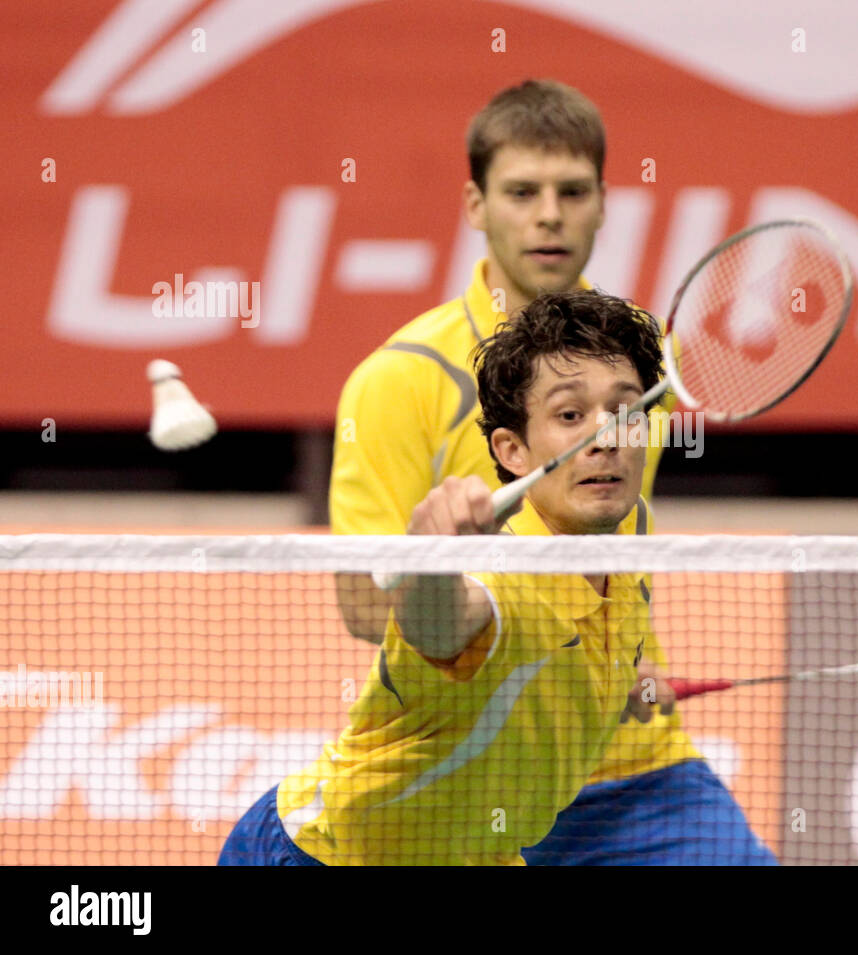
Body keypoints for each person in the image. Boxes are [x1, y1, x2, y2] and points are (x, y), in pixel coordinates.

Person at [324, 79, 775, 865]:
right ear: (476, 204)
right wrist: (452, 578)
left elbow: (615, 548)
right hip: (474, 774)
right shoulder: (397, 381)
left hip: (633, 771)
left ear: (603, 203)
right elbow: (366, 603)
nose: (548, 214)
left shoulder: (643, 369)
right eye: (521, 191)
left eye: (571, 192)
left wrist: (613, 673)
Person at [224, 290, 682, 864]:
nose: (607, 435)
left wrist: (624, 677)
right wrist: (434, 564)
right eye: (570, 415)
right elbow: (442, 627)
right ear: (512, 450)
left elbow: (564, 653)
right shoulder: (501, 580)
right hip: (330, 856)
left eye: (626, 411)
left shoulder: (632, 525)